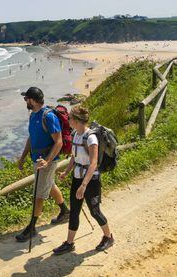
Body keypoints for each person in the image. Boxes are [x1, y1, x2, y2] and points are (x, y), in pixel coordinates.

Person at [53, 105, 114, 255]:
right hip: (77, 177)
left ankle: (108, 237)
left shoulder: (91, 138)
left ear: (77, 120)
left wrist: (83, 185)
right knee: (74, 211)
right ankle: (69, 243)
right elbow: (74, 156)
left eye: (70, 118)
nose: (68, 120)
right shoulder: (75, 134)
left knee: (95, 211)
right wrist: (67, 172)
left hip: (90, 180)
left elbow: (93, 163)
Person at [16, 87, 69, 242]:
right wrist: (23, 157)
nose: (25, 101)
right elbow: (31, 138)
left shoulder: (49, 116)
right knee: (49, 185)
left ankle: (32, 228)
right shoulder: (33, 115)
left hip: (46, 161)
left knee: (39, 194)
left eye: (26, 99)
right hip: (37, 160)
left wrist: (47, 161)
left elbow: (58, 142)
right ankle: (65, 212)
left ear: (32, 100)